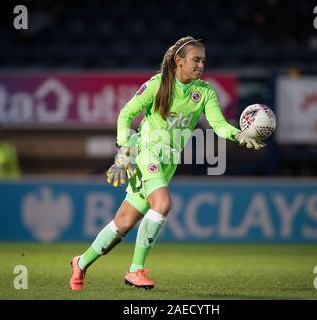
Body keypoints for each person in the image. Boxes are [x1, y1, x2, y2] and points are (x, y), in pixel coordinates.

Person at [69, 36, 266, 291]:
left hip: (168, 163)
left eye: (203, 61)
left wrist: (238, 135)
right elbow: (126, 114)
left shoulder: (204, 92)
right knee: (163, 204)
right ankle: (135, 270)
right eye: (196, 60)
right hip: (145, 153)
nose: (200, 66)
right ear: (179, 61)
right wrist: (123, 150)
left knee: (122, 225)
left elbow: (217, 125)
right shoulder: (158, 84)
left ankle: (81, 263)